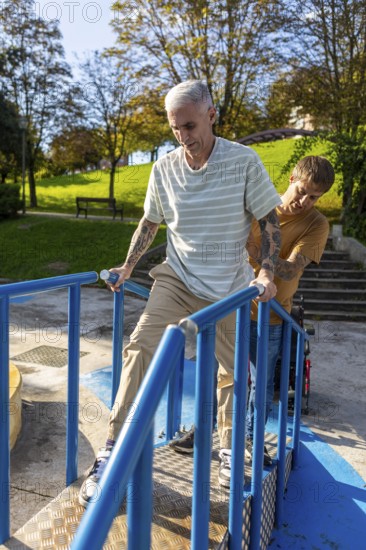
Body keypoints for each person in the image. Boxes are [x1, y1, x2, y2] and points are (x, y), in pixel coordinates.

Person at [79, 79, 281, 505]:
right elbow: (150, 223)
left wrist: (266, 272)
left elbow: (270, 220)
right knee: (140, 349)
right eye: (175, 129)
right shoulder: (164, 169)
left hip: (228, 285)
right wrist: (127, 267)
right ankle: (111, 450)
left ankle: (229, 449)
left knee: (233, 370)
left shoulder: (243, 161)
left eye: (190, 126)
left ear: (212, 115)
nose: (184, 137)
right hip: (177, 279)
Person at [170, 156, 335, 466]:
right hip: (228, 308)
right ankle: (202, 432)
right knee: (214, 375)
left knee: (259, 387)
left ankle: (251, 441)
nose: (305, 201)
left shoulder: (316, 224)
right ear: (290, 179)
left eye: (315, 197)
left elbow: (289, 271)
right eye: (302, 191)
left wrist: (251, 249)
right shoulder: (258, 204)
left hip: (270, 316)